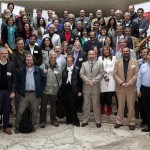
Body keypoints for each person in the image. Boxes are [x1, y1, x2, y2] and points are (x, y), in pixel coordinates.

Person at [15, 54, 46, 134]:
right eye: (27, 60)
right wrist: (19, 91)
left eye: (30, 59)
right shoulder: (21, 71)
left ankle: (32, 126)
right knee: (20, 111)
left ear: (33, 60)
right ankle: (17, 127)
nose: (29, 61)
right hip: (24, 95)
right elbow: (17, 82)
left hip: (35, 95)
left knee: (35, 112)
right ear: (25, 61)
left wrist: (41, 89)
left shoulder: (39, 70)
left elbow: (43, 79)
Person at [113, 47, 139, 130]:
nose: (125, 52)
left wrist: (129, 82)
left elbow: (137, 74)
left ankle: (131, 122)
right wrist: (121, 82)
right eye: (124, 51)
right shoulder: (117, 62)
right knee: (120, 106)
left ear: (129, 52)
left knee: (131, 106)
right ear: (122, 52)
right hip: (120, 87)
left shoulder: (135, 62)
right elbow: (115, 74)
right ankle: (119, 121)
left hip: (131, 87)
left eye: (127, 51)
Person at [80, 50, 104, 128]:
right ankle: (85, 120)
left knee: (96, 104)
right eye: (89, 54)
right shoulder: (83, 64)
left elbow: (101, 73)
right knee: (86, 104)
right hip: (86, 87)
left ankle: (98, 121)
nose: (91, 56)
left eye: (93, 54)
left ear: (95, 55)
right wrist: (88, 81)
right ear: (87, 55)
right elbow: (81, 74)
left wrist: (93, 81)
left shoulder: (100, 63)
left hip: (95, 87)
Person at [40, 52, 61, 128]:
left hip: (54, 90)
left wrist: (58, 86)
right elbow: (39, 76)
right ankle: (42, 121)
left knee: (54, 106)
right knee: (43, 107)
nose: (53, 59)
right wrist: (43, 72)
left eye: (54, 58)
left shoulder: (59, 67)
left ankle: (54, 120)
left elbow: (61, 78)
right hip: (45, 90)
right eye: (51, 57)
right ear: (49, 58)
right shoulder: (43, 67)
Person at [62, 55, 82, 126]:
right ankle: (68, 119)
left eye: (70, 61)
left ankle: (75, 121)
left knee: (73, 105)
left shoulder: (77, 69)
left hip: (73, 88)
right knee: (66, 105)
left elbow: (80, 81)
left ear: (73, 61)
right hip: (65, 88)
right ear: (66, 61)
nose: (69, 62)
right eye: (68, 61)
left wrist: (80, 91)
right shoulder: (63, 69)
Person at [0, 47, 16, 135]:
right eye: (2, 53)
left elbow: (14, 79)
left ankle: (5, 127)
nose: (4, 55)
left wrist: (13, 91)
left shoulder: (11, 65)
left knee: (6, 110)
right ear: (0, 54)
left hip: (8, 92)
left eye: (6, 53)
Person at [98, 45, 116, 116]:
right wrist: (105, 75)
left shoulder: (114, 58)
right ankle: (102, 108)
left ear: (109, 51)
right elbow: (100, 67)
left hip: (111, 78)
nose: (106, 51)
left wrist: (107, 71)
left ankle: (109, 108)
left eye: (107, 50)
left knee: (109, 94)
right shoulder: (99, 58)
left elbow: (114, 67)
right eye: (104, 50)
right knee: (102, 95)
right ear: (102, 51)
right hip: (102, 78)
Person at [137, 49, 150, 133]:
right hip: (144, 89)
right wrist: (138, 88)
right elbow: (139, 78)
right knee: (146, 108)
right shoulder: (143, 66)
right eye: (149, 55)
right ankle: (149, 125)